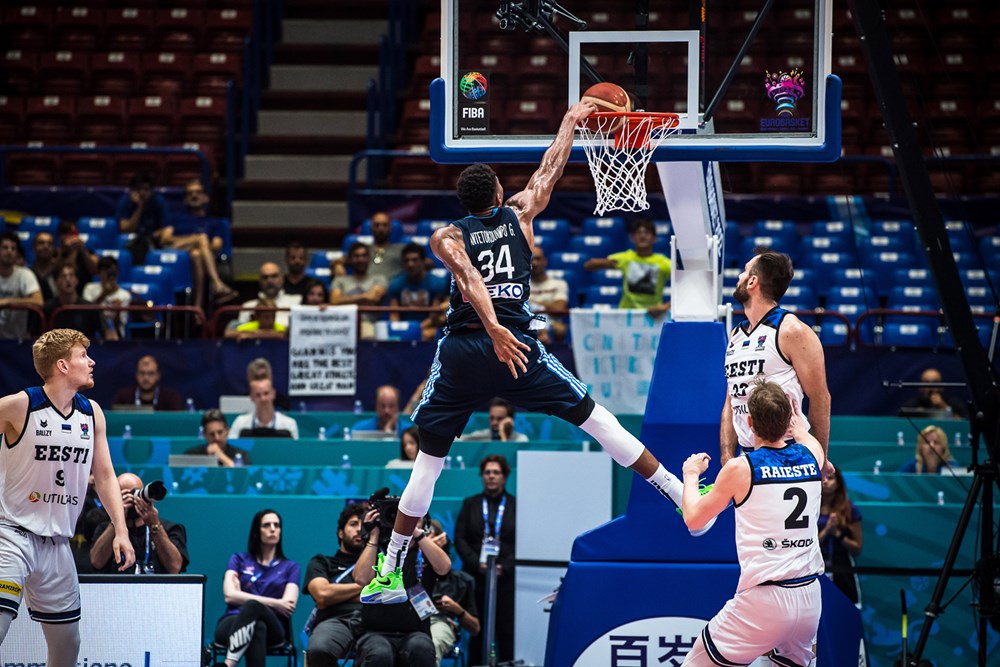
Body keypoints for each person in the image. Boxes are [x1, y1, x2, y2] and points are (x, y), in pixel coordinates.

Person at [362, 102, 710, 609]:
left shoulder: (446, 235)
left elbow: (467, 276)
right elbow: (550, 167)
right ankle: (679, 494)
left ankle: (390, 567)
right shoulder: (522, 212)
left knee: (429, 462)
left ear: (461, 201)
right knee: (597, 419)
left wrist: (491, 329)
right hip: (515, 346)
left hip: (464, 350)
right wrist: (570, 119)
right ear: (500, 194)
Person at [0, 328, 135, 664]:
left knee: (67, 647)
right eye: (82, 355)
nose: (91, 361)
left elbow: (104, 476)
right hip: (12, 535)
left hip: (58, 543)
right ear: (62, 365)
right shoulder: (21, 405)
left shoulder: (92, 414)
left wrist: (121, 529)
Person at [678, 381, 825, 667]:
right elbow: (805, 434)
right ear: (788, 420)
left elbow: (693, 518)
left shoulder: (741, 468)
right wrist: (798, 426)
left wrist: (691, 474)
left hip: (765, 599)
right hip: (809, 598)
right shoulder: (813, 455)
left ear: (749, 422)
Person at [720, 247, 832, 473]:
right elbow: (731, 399)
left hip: (789, 453)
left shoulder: (792, 330)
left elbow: (820, 397)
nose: (739, 277)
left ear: (752, 282)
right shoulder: (735, 334)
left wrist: (818, 459)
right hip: (747, 455)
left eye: (744, 272)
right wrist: (726, 455)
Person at [353, 507, 451, 667]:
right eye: (399, 518)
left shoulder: (425, 552)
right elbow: (361, 579)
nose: (404, 522)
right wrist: (374, 535)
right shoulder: (379, 551)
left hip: (415, 632)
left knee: (421, 648)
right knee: (380, 653)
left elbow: (444, 567)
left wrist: (417, 533)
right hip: (375, 632)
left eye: (414, 518)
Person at [214, 509, 299, 667]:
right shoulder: (238, 559)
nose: (273, 529)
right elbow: (229, 596)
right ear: (256, 531)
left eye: (277, 525)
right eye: (267, 525)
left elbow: (288, 605)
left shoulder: (290, 567)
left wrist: (245, 598)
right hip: (232, 621)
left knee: (253, 606)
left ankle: (228, 664)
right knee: (257, 627)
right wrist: (275, 603)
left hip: (275, 628)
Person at [453, 455, 515, 663]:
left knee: (506, 630)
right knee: (476, 629)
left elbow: (523, 541)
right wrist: (475, 564)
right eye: (487, 472)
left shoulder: (516, 506)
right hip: (475, 577)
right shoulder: (470, 504)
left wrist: (503, 567)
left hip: (506, 579)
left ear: (504, 476)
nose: (491, 476)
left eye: (496, 472)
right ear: (482, 476)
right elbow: (460, 538)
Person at [303, 502, 367, 666]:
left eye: (364, 525)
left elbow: (385, 595)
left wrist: (337, 594)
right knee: (320, 649)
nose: (359, 529)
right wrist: (366, 587)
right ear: (340, 533)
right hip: (335, 620)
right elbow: (323, 596)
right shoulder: (322, 562)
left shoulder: (380, 562)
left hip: (372, 620)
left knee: (382, 652)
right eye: (353, 524)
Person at [90, 472, 189, 574]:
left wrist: (155, 526)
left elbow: (175, 567)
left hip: (156, 589)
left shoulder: (170, 529)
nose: (132, 499)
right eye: (124, 495)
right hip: (118, 588)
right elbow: (96, 562)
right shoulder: (104, 528)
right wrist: (116, 520)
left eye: (135, 492)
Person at [583, 218, 671, 317]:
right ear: (632, 238)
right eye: (638, 233)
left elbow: (685, 288)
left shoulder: (664, 263)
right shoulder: (625, 258)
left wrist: (666, 306)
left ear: (654, 238)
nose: (642, 236)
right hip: (626, 315)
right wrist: (600, 263)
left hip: (653, 315)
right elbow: (588, 266)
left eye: (647, 233)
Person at [427, 518, 480, 665]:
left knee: (429, 647)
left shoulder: (461, 581)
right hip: (407, 622)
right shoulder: (407, 572)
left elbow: (475, 628)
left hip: (441, 622)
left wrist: (457, 610)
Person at [387, 242, 449, 341]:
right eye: (407, 260)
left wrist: (414, 330)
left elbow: (433, 316)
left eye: (415, 260)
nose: (410, 264)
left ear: (423, 261)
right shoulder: (396, 284)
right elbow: (394, 315)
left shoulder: (437, 283)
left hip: (427, 326)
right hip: (403, 328)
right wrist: (398, 332)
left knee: (429, 334)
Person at [818, 468, 863, 606]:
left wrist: (837, 533)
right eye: (823, 478)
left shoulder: (850, 509)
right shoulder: (809, 508)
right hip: (816, 568)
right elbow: (806, 545)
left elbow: (857, 549)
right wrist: (827, 531)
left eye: (830, 479)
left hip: (842, 569)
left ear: (838, 484)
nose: (825, 482)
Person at [329, 242, 387, 340]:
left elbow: (373, 298)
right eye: (356, 256)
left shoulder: (379, 279)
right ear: (350, 260)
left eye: (364, 256)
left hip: (368, 324)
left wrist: (345, 300)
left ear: (369, 259)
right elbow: (334, 301)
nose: (360, 259)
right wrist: (364, 297)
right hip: (342, 324)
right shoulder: (340, 280)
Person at [43, 262, 112, 340]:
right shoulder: (48, 308)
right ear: (56, 282)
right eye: (63, 276)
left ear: (76, 281)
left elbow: (108, 333)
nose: (68, 279)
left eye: (71, 276)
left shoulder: (90, 308)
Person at [116, 171, 170, 264]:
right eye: (138, 189)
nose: (142, 193)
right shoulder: (125, 201)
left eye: (146, 189)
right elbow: (125, 229)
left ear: (152, 191)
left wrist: (152, 236)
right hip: (130, 242)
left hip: (152, 241)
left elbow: (166, 229)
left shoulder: (159, 202)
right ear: (132, 190)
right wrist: (139, 207)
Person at [0, 230, 43, 339]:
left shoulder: (25, 274)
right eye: (5, 248)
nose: (9, 252)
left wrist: (8, 301)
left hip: (17, 341)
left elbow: (39, 301)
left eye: (13, 248)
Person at [237, 262, 302, 329]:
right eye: (265, 277)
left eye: (274, 276)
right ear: (259, 281)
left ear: (282, 279)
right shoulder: (247, 307)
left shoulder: (297, 301)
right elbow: (238, 333)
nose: (269, 281)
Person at [230, 377, 299, 439]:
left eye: (266, 393)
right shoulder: (240, 423)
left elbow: (295, 451)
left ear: (273, 394)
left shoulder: (289, 424)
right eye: (258, 395)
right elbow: (232, 450)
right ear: (251, 397)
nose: (263, 399)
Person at [111, 354, 186, 411]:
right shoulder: (122, 398)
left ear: (158, 376)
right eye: (142, 373)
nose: (146, 377)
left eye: (151, 373)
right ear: (136, 375)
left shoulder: (171, 398)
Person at [527, 245, 569, 344]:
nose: (535, 263)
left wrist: (535, 305)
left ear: (545, 261)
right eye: (531, 259)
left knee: (561, 329)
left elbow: (559, 308)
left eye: (538, 259)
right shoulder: (522, 286)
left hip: (552, 323)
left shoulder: (559, 284)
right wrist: (547, 305)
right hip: (527, 321)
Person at [81, 255, 131, 338]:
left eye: (113, 272)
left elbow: (120, 324)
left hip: (117, 335)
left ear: (117, 273)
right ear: (99, 272)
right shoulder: (89, 288)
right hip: (92, 332)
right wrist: (104, 294)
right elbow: (86, 313)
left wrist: (117, 312)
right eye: (106, 272)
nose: (110, 276)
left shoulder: (124, 295)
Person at [185, 409, 252, 467]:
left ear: (227, 431)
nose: (217, 438)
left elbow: (243, 476)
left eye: (220, 432)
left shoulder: (240, 455)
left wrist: (220, 455)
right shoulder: (193, 455)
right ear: (205, 435)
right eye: (212, 434)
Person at [898, 367, 969, 419]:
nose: (930, 386)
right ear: (920, 386)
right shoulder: (912, 405)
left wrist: (944, 407)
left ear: (941, 386)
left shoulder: (954, 403)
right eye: (926, 382)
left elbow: (963, 424)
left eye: (935, 382)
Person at [348, 384, 414, 438]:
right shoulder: (359, 430)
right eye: (382, 406)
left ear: (398, 407)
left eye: (391, 406)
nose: (386, 411)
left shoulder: (408, 431)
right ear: (376, 407)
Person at [56, 219, 98, 292]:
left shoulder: (87, 252)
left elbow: (95, 271)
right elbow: (60, 272)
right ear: (59, 236)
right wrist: (67, 251)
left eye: (72, 233)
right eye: (65, 233)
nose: (69, 237)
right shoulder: (56, 253)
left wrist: (83, 251)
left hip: (85, 291)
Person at [460, 398, 528, 442]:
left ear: (509, 419)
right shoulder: (482, 436)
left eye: (500, 419)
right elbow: (458, 441)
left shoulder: (520, 440)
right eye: (492, 418)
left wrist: (503, 435)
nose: (494, 422)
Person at [366, 212, 406, 283]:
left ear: (390, 228)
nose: (381, 229)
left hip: (392, 289)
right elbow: (346, 259)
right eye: (377, 225)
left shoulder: (402, 249)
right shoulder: (364, 249)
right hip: (366, 287)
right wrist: (339, 264)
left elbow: (422, 261)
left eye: (385, 225)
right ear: (371, 227)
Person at [29, 231, 58, 301]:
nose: (46, 246)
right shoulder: (28, 273)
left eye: (50, 244)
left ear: (54, 249)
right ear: (34, 247)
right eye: (41, 243)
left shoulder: (60, 272)